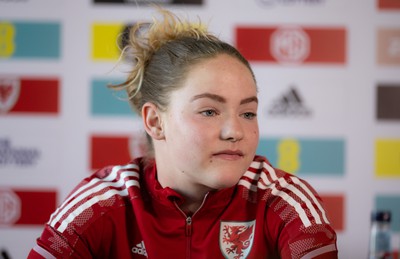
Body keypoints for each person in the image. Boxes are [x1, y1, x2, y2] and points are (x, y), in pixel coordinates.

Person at [28, 8, 338, 259]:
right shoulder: (99, 206)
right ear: (155, 122)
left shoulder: (284, 201)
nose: (235, 131)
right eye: (209, 111)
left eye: (247, 113)